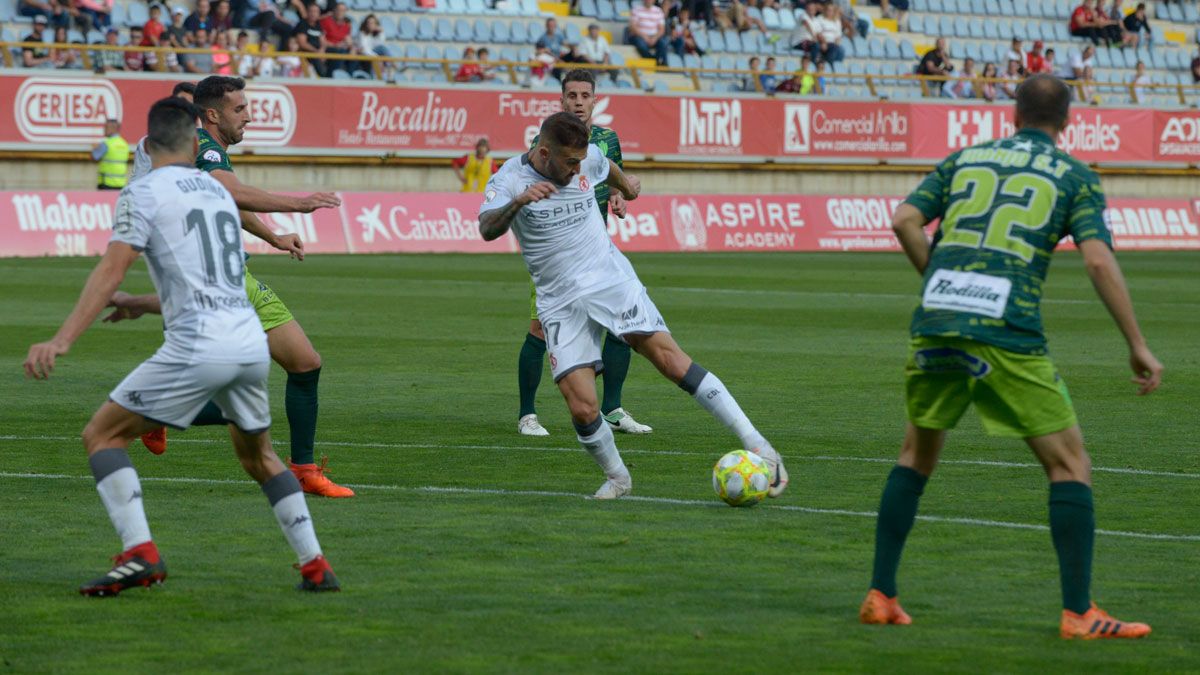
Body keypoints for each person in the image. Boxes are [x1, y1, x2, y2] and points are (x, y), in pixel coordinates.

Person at [858, 73, 1160, 639]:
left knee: (914, 457)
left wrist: (939, 279)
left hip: (936, 322)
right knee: (1070, 465)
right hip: (1007, 330)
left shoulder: (966, 157)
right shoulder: (1074, 176)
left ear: (1013, 114)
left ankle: (881, 595)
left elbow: (903, 219)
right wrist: (1137, 344)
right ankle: (1079, 613)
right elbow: (1097, 261)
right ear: (1066, 122)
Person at [23, 97, 340, 596]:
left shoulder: (142, 192)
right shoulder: (216, 195)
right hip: (248, 343)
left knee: (101, 436)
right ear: (196, 144)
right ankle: (315, 565)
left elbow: (110, 268)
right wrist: (142, 303)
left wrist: (62, 339)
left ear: (146, 146)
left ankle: (139, 553)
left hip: (199, 344)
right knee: (262, 459)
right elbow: (218, 282)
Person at [480, 111, 787, 499]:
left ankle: (760, 446)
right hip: (559, 300)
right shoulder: (509, 179)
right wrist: (520, 202)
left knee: (670, 360)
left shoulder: (586, 158)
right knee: (582, 408)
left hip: (608, 278)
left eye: (580, 162)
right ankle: (619, 478)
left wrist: (625, 187)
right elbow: (487, 227)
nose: (577, 171)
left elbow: (603, 165)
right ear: (544, 153)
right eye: (569, 163)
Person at [110, 76, 352, 498]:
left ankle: (303, 469)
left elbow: (230, 201)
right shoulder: (201, 146)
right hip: (210, 281)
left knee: (305, 363)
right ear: (213, 115)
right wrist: (300, 203)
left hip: (238, 273)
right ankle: (152, 413)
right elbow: (230, 189)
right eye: (240, 109)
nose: (249, 116)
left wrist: (275, 237)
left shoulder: (208, 149)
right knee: (235, 393)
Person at [515, 71, 649, 437]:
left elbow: (614, 180)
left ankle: (613, 409)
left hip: (597, 253)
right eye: (571, 94)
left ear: (594, 100)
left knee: (624, 324)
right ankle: (527, 415)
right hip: (555, 253)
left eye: (584, 95)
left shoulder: (607, 140)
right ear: (561, 100)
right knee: (541, 330)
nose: (578, 101)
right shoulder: (544, 140)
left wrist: (620, 198)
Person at [319, 2, 356, 74]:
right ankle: (332, 76)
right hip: (329, 48)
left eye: (342, 10)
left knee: (355, 55)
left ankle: (350, 76)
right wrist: (335, 45)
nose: (340, 12)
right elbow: (321, 40)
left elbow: (349, 40)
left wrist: (352, 48)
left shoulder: (347, 25)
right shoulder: (326, 21)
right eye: (338, 10)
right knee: (341, 52)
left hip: (341, 48)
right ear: (334, 11)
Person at [91, 118, 128, 190]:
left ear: (113, 128)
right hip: (121, 184)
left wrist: (95, 148)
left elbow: (94, 157)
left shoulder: (106, 144)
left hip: (106, 184)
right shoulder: (124, 144)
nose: (104, 130)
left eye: (106, 127)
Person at [291, 3, 327, 76]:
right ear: (307, 12)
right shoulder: (302, 24)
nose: (313, 14)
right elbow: (302, 43)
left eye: (316, 11)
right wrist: (316, 51)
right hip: (307, 52)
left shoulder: (318, 25)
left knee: (337, 52)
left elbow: (323, 41)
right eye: (311, 11)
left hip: (317, 52)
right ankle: (324, 77)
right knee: (318, 63)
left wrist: (322, 50)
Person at [629, 0, 668, 66]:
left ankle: (662, 64)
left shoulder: (658, 11)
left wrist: (655, 38)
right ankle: (654, 61)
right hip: (640, 36)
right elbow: (633, 27)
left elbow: (662, 29)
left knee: (664, 43)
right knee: (641, 45)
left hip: (654, 36)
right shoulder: (636, 10)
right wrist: (645, 37)